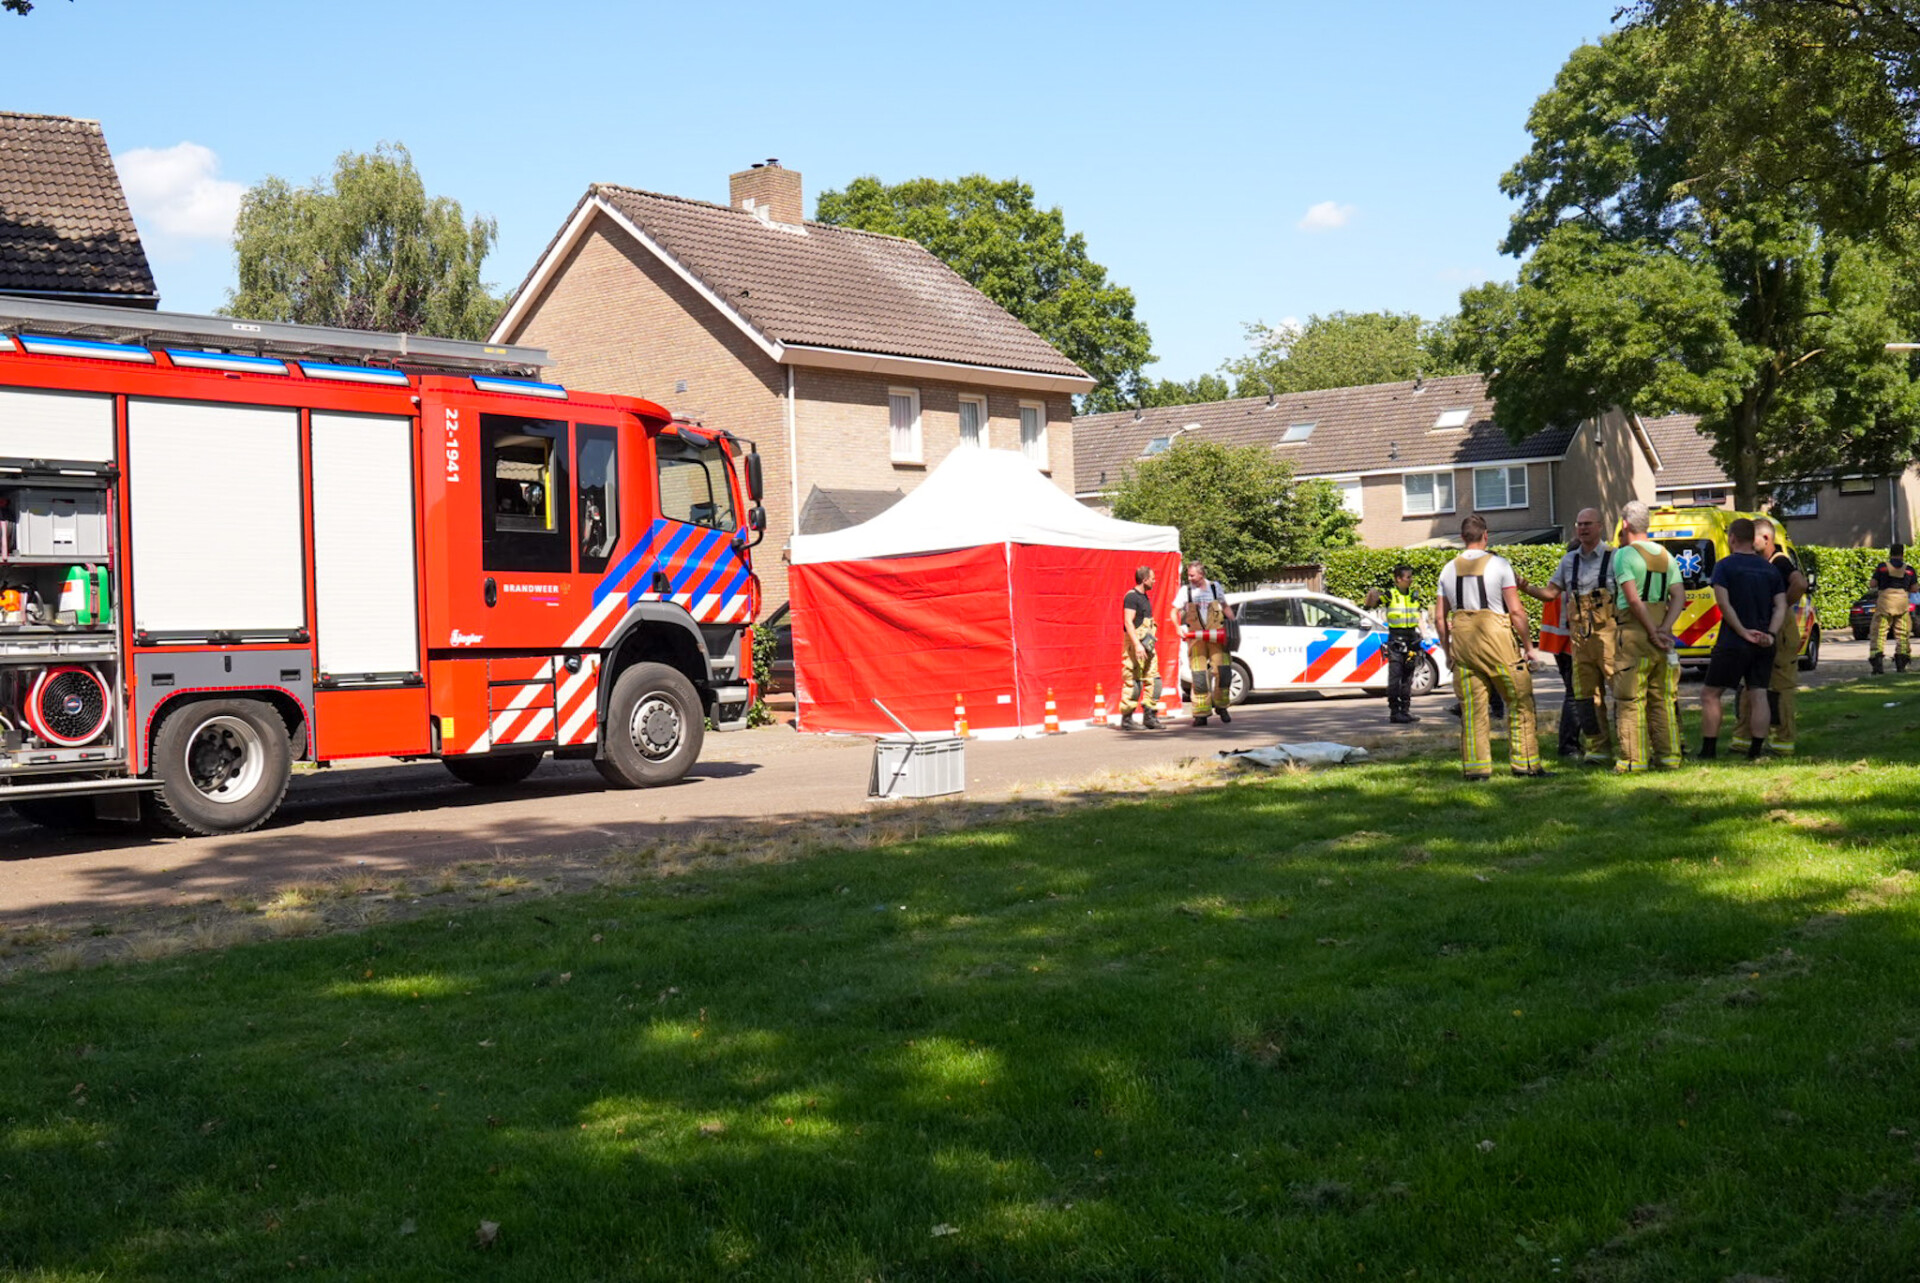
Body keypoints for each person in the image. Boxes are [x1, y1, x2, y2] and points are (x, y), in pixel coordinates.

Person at [1435, 515, 1544, 779]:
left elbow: (1440, 618)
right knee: (1520, 700)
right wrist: (1529, 647)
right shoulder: (1500, 565)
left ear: (1462, 538)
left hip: (1463, 643)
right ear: (1486, 535)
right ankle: (1526, 764)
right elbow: (1516, 611)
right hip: (1497, 641)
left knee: (1472, 709)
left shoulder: (1448, 569)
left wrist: (1448, 652)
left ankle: (1476, 771)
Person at [1518, 508, 1616, 764]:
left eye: (1588, 524)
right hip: (1580, 641)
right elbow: (1551, 594)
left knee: (1623, 691)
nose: (1583, 528)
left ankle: (1632, 749)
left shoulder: (1615, 558)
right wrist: (1526, 587)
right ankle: (1598, 749)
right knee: (1585, 696)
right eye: (1579, 524)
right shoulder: (1569, 561)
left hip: (1609, 639)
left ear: (1600, 526)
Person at [1698, 517, 1787, 761]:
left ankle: (1708, 750)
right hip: (1764, 643)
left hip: (1734, 641)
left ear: (1733, 538)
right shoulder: (1770, 568)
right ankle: (1755, 751)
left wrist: (1742, 631)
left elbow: (1723, 604)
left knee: (1710, 693)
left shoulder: (1724, 566)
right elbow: (1780, 606)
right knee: (1758, 693)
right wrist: (1770, 633)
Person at [1610, 501, 1687, 772]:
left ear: (1625, 524)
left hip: (1634, 634)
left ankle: (1634, 760)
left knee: (1630, 698)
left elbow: (1632, 599)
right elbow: (1679, 595)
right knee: (1663, 698)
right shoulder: (1666, 555)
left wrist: (1652, 631)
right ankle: (1669, 758)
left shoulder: (1624, 555)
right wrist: (1665, 628)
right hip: (1664, 636)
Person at [1733, 518, 1808, 755]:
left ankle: (1782, 741)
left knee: (1780, 686)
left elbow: (1800, 583)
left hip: (1780, 632)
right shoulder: (1759, 563)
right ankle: (1742, 739)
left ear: (1766, 539)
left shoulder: (1780, 561)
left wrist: (1780, 606)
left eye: (1752, 536)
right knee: (1750, 684)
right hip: (1761, 628)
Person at [1174, 560, 1236, 726]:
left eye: (1192, 575)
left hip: (1217, 637)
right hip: (1196, 639)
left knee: (1223, 673)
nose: (1190, 578)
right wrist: (1177, 627)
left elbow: (1225, 607)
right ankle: (1201, 714)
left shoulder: (1215, 587)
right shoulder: (1185, 591)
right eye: (1188, 575)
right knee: (1199, 676)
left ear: (1201, 574)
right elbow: (1174, 611)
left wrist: (1233, 623)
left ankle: (1222, 706)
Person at [1365, 563, 1425, 724]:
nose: (1411, 580)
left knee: (1408, 677)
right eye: (1408, 577)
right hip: (1396, 639)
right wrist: (1371, 595)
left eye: (1411, 576)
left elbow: (1418, 615)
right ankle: (1394, 711)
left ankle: (1405, 710)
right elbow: (1370, 604)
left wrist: (1424, 634)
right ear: (1398, 579)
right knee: (1395, 677)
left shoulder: (1414, 595)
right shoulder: (1390, 595)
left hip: (1412, 639)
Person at [1118, 565, 1163, 730]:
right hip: (1135, 646)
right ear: (1144, 580)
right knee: (1134, 681)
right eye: (1152, 578)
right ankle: (1127, 719)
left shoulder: (1145, 597)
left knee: (1155, 680)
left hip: (1148, 646)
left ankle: (1150, 716)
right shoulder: (1131, 597)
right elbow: (1128, 622)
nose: (1154, 580)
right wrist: (1137, 644)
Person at [1868, 543, 1916, 675]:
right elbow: (1914, 588)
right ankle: (1902, 664)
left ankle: (1877, 664)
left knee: (1879, 632)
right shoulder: (1909, 570)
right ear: (1902, 554)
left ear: (1890, 553)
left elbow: (1872, 584)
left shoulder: (1882, 567)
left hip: (1885, 602)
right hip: (1902, 603)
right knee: (1903, 633)